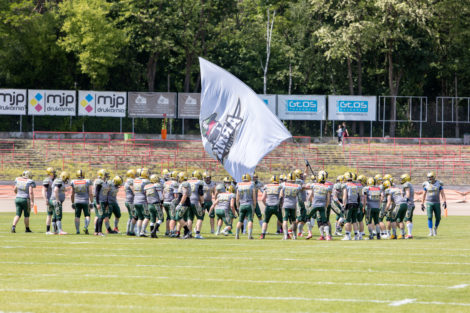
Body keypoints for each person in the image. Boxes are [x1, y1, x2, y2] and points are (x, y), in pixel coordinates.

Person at [307, 172, 332, 240]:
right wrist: (326, 206)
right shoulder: (327, 187)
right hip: (322, 206)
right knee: (324, 222)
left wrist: (308, 202)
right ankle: (327, 236)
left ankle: (309, 232)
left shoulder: (314, 185)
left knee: (307, 218)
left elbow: (311, 195)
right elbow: (328, 198)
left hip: (314, 205)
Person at [422, 172, 446, 236]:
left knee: (438, 218)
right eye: (428, 177)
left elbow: (442, 193)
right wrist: (422, 203)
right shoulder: (426, 184)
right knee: (429, 217)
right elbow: (424, 194)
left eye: (431, 177)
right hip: (429, 203)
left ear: (434, 177)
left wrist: (444, 201)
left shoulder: (439, 183)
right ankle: (430, 232)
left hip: (437, 203)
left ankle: (435, 229)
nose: (429, 178)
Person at [279, 172, 302, 240]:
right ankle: (294, 235)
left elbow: (281, 193)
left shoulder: (283, 184)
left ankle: (286, 235)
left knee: (285, 220)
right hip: (293, 205)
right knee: (294, 221)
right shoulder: (297, 186)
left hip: (285, 204)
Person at [70, 169, 93, 234]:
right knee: (87, 215)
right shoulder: (87, 181)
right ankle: (85, 227)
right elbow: (90, 193)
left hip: (77, 201)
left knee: (77, 216)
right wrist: (92, 202)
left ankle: (77, 230)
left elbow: (72, 193)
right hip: (85, 201)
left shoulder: (73, 182)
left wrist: (72, 202)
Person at [236, 173, 256, 239]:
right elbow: (254, 196)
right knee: (250, 220)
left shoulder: (239, 185)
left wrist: (237, 206)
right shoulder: (251, 184)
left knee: (240, 220)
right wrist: (254, 205)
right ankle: (249, 235)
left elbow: (237, 197)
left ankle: (237, 235)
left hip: (241, 204)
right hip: (249, 204)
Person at [341, 172, 360, 240]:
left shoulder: (345, 185)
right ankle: (356, 235)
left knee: (347, 221)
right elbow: (358, 196)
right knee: (354, 221)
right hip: (355, 203)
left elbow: (345, 195)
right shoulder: (356, 185)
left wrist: (344, 204)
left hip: (349, 204)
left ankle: (347, 235)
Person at [132, 168, 151, 237]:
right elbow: (148, 191)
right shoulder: (146, 181)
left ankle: (138, 232)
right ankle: (142, 232)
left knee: (140, 218)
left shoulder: (135, 180)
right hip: (143, 201)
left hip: (136, 200)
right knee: (147, 216)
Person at [50, 171, 70, 235]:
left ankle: (54, 230)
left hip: (52, 200)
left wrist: (68, 189)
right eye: (67, 178)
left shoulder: (57, 180)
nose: (67, 179)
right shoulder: (59, 181)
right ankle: (60, 230)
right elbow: (56, 190)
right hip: (55, 201)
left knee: (54, 216)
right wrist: (57, 200)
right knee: (58, 216)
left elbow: (60, 189)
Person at [93, 169, 111, 236]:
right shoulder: (99, 182)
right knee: (100, 216)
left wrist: (107, 203)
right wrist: (97, 203)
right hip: (99, 201)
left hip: (103, 201)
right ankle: (99, 232)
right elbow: (97, 193)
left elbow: (106, 194)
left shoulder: (105, 182)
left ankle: (96, 231)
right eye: (105, 174)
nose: (106, 175)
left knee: (99, 216)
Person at [188, 170, 205, 239]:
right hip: (195, 202)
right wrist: (203, 204)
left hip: (188, 202)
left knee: (190, 218)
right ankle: (197, 233)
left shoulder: (188, 181)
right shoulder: (199, 182)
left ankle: (189, 233)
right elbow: (200, 194)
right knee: (200, 217)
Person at [147, 174, 164, 238]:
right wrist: (162, 202)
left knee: (152, 219)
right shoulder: (157, 185)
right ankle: (154, 231)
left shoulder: (147, 186)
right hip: (156, 204)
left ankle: (151, 233)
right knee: (161, 218)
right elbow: (161, 196)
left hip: (149, 204)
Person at [163, 171, 179, 236]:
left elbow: (163, 193)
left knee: (168, 217)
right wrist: (177, 200)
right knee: (173, 218)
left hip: (165, 201)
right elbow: (175, 194)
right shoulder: (175, 183)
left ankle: (167, 231)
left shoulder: (166, 183)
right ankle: (172, 232)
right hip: (171, 202)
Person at [43, 167, 57, 234]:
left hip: (54, 199)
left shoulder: (55, 179)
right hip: (50, 199)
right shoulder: (47, 180)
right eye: (53, 172)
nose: (54, 173)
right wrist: (45, 199)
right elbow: (44, 191)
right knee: (49, 215)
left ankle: (55, 230)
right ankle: (48, 230)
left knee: (55, 214)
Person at [400, 174, 415, 239]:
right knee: (409, 219)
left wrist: (403, 200)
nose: (401, 180)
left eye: (402, 178)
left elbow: (408, 194)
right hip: (411, 204)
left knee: (407, 219)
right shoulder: (409, 184)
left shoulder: (406, 184)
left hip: (408, 204)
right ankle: (409, 234)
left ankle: (409, 234)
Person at [124, 169, 137, 236]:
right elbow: (133, 190)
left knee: (130, 216)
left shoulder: (127, 180)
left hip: (128, 200)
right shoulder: (130, 181)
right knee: (133, 216)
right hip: (130, 201)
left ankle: (128, 231)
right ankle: (131, 231)